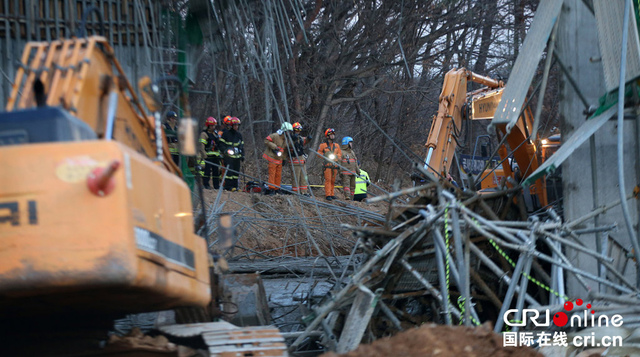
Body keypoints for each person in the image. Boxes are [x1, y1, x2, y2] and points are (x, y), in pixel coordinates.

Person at [263, 122, 293, 195]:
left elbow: (285, 150)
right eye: (288, 131)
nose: (289, 133)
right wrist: (274, 147)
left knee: (278, 175)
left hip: (279, 159)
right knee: (272, 174)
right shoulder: (275, 136)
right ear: (284, 131)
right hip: (272, 158)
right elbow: (266, 140)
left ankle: (276, 188)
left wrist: (284, 159)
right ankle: (271, 189)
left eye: (290, 132)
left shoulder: (286, 139)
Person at [219, 116, 244, 191]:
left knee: (236, 173)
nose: (236, 127)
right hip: (228, 157)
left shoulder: (239, 135)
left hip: (237, 157)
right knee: (229, 172)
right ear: (231, 125)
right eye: (235, 125)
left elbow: (241, 146)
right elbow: (221, 144)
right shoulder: (226, 134)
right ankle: (228, 186)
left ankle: (235, 186)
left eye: (237, 125)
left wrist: (242, 155)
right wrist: (226, 150)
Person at [287, 122, 312, 195]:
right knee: (296, 178)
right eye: (296, 130)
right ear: (293, 130)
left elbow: (304, 141)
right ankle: (296, 193)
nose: (298, 131)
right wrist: (293, 140)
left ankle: (304, 192)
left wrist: (308, 139)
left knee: (304, 178)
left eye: (299, 130)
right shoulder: (289, 138)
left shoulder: (300, 138)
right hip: (294, 161)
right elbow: (287, 145)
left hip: (301, 161)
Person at [317, 128, 342, 201]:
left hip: (335, 166)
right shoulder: (323, 145)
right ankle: (328, 194)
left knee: (333, 180)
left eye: (333, 134)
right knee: (328, 180)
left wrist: (337, 157)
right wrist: (325, 155)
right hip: (327, 165)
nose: (333, 136)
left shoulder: (337, 145)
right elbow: (318, 153)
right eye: (331, 135)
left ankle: (332, 194)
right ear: (327, 136)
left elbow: (340, 154)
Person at [199, 117, 222, 189]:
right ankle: (206, 184)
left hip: (216, 156)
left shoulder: (215, 134)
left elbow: (219, 144)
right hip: (208, 156)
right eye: (211, 126)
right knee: (207, 171)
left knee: (216, 172)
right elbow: (201, 145)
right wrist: (204, 154)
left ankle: (216, 185)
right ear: (208, 125)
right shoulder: (204, 134)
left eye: (214, 126)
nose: (213, 127)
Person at [339, 136, 360, 200]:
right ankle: (347, 197)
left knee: (353, 186)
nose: (351, 144)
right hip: (345, 172)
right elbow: (339, 162)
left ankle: (352, 198)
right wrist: (340, 171)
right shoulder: (341, 152)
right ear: (346, 143)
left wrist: (358, 171)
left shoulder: (352, 152)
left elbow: (355, 162)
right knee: (346, 185)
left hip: (353, 172)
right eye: (350, 143)